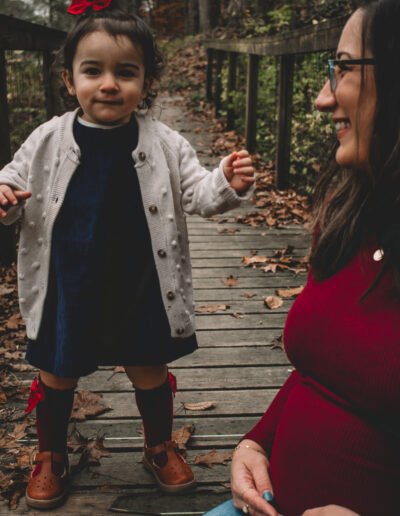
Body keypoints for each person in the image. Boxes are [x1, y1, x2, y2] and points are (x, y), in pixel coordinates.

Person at [0, 0, 255, 510]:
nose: (109, 84)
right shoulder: (47, 139)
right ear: (70, 81)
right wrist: (4, 194)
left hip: (141, 281)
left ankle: (158, 446)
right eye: (93, 71)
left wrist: (225, 181)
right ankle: (50, 453)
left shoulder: (164, 142)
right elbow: (13, 178)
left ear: (146, 82)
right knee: (57, 369)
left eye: (126, 72)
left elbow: (197, 194)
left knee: (149, 367)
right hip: (68, 282)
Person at [205, 0, 400, 515]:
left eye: (343, 68)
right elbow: (324, 367)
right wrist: (256, 442)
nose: (321, 97)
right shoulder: (353, 213)